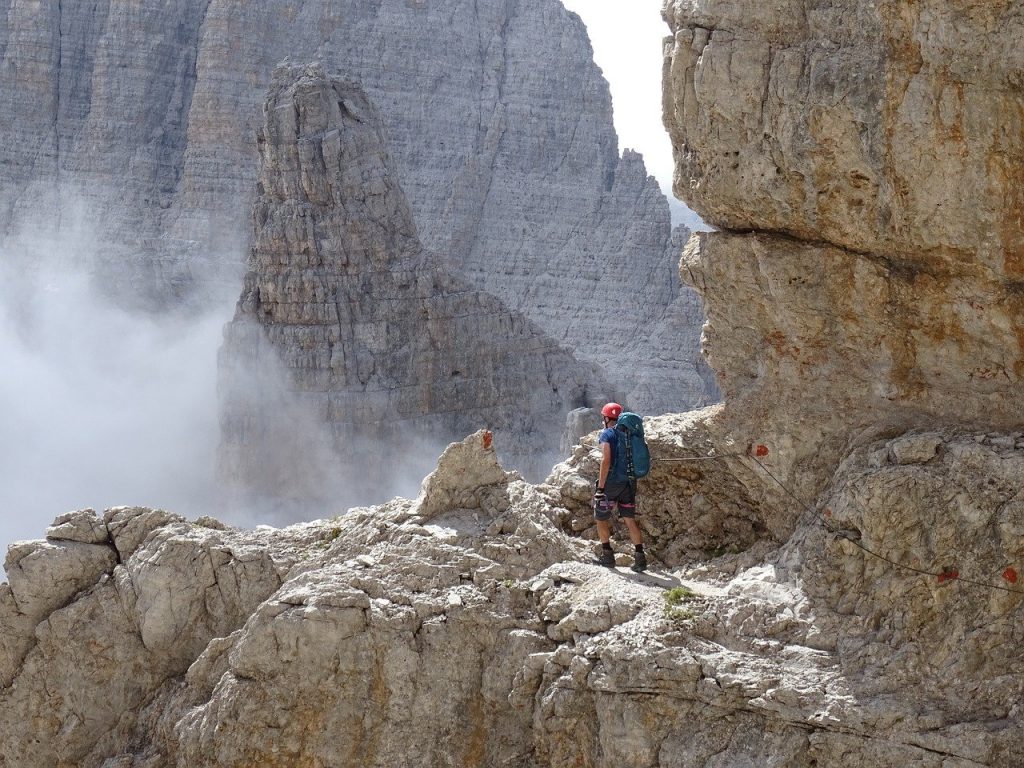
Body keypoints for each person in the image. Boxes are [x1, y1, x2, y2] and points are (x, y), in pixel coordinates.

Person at [593, 402, 646, 572]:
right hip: (629, 483)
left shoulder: (608, 434)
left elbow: (606, 461)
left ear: (607, 418)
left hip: (612, 483)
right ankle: (640, 558)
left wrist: (600, 489)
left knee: (601, 517)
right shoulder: (630, 435)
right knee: (629, 519)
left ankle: (607, 555)